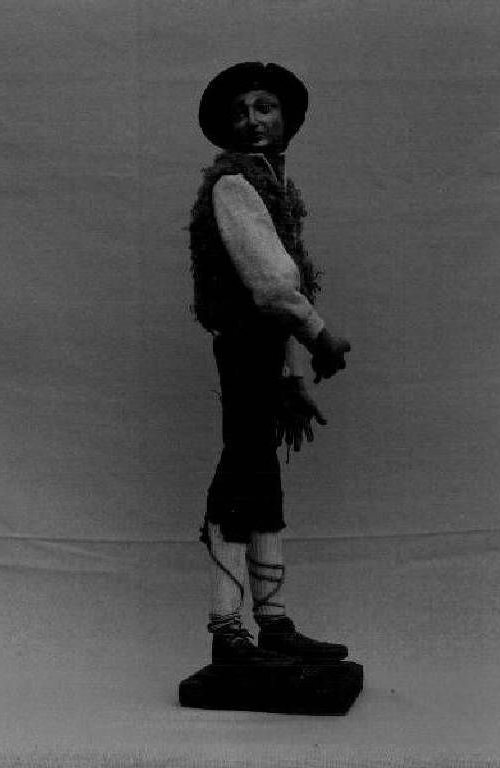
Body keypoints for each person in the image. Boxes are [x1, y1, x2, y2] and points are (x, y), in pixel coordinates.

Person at [189, 62, 351, 669]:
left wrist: (289, 378)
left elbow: (273, 303)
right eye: (240, 111)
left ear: (286, 118)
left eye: (265, 107)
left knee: (259, 480)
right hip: (242, 350)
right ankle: (227, 632)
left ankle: (273, 624)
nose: (253, 120)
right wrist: (320, 336)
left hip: (261, 353)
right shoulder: (236, 184)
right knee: (240, 479)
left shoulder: (270, 184)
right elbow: (273, 284)